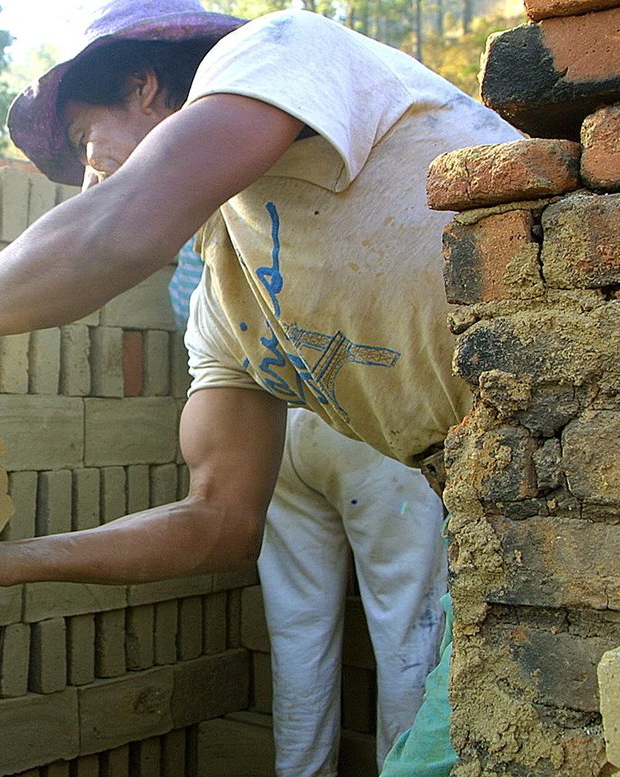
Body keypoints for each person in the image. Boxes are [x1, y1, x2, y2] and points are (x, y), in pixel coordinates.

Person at [0, 2, 521, 774]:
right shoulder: (229, 300)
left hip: (602, 413)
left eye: (88, 141)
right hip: (514, 501)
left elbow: (118, 225)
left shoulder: (281, 47)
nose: (89, 179)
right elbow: (218, 519)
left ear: (147, 86)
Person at [169, 239, 447, 773]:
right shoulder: (358, 194)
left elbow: (189, 319)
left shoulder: (211, 218)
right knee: (406, 629)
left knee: (297, 631)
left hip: (268, 429)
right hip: (371, 417)